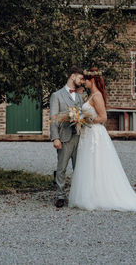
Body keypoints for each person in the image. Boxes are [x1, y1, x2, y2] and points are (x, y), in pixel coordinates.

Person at [69, 67, 136, 211]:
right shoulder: (90, 95)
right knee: (88, 163)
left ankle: (100, 196)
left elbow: (103, 117)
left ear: (93, 80)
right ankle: (89, 195)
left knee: (97, 163)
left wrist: (87, 120)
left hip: (95, 133)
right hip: (87, 134)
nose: (84, 82)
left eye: (86, 80)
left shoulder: (97, 96)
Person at [49, 65, 85, 208]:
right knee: (61, 168)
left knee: (80, 168)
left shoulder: (82, 96)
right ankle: (60, 196)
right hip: (64, 137)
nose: (81, 81)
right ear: (72, 76)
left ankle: (78, 195)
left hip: (80, 137)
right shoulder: (56, 95)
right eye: (80, 78)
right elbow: (53, 118)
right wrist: (55, 138)